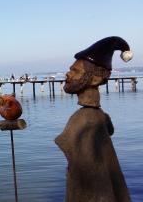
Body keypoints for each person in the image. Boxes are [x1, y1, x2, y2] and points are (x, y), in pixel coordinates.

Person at [55, 36, 132, 202]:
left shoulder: (84, 121)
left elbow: (92, 181)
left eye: (75, 71)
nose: (68, 74)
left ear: (95, 79)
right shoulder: (97, 117)